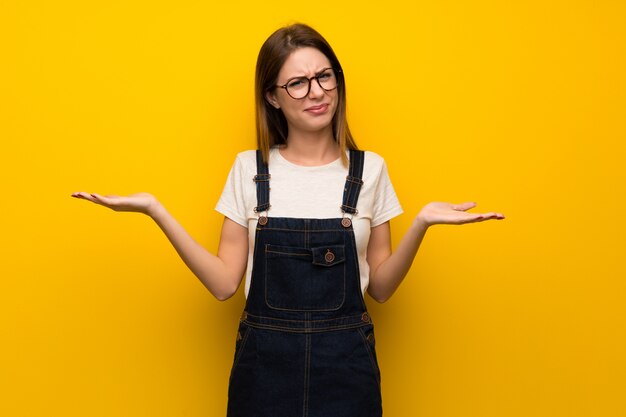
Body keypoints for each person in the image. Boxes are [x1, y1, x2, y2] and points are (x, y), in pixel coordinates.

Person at [72, 22, 504, 417]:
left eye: (324, 76)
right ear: (272, 96)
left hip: (346, 371)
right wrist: (156, 210)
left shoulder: (369, 171)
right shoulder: (249, 169)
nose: (316, 92)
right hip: (264, 371)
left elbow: (383, 289)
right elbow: (225, 284)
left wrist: (422, 223)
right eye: (297, 83)